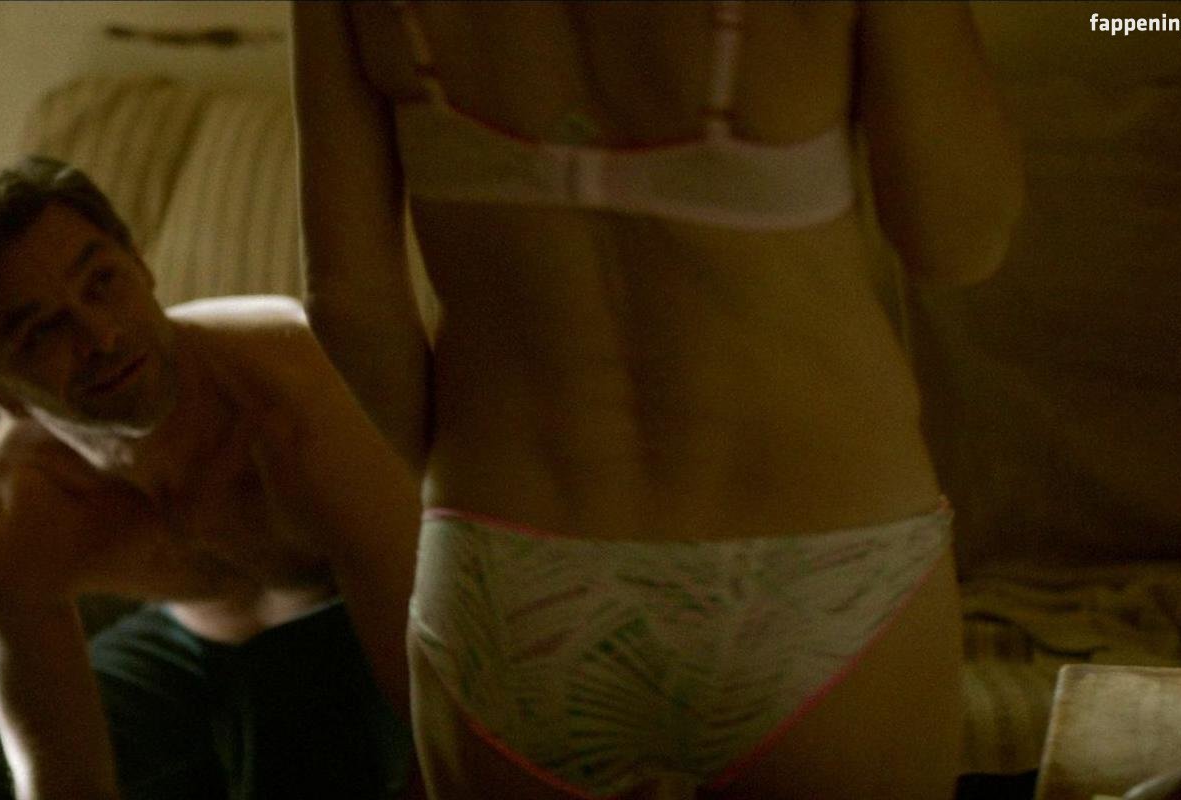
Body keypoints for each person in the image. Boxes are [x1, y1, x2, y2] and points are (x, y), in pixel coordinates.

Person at [293, 2, 1023, 798]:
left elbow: (350, 303)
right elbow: (958, 241)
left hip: (510, 564)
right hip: (818, 554)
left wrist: (464, 503)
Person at [0, 157, 418, 800]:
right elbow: (63, 777)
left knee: (289, 731)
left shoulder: (291, 386)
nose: (101, 335)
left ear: (140, 263)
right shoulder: (10, 513)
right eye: (42, 331)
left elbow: (431, 683)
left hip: (357, 630)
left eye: (103, 282)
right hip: (194, 644)